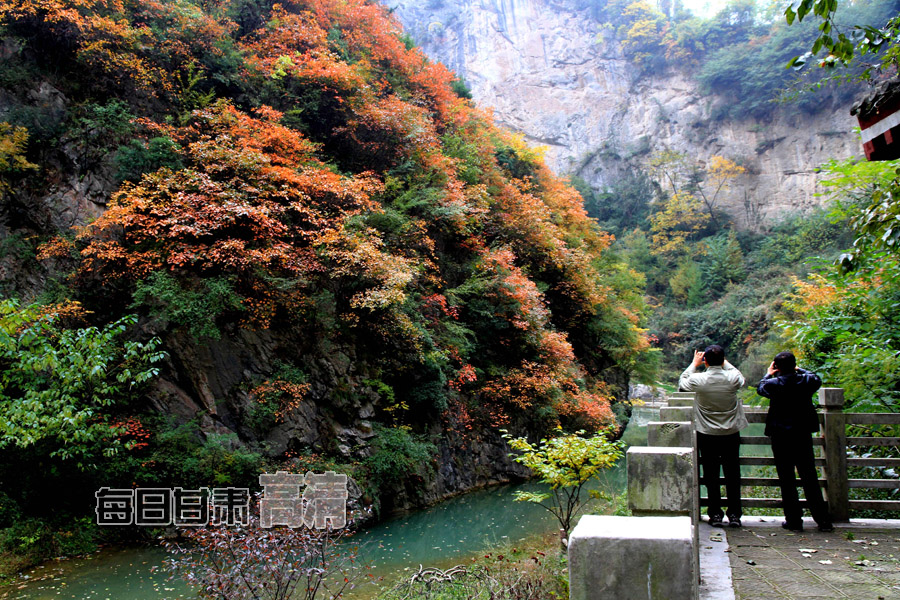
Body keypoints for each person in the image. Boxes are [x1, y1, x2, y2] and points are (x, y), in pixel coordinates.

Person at [756, 351, 833, 532]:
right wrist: (799, 369)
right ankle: (822, 520)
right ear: (794, 365)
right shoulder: (806, 381)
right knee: (809, 476)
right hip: (802, 433)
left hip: (780, 435)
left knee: (787, 478)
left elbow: (761, 388)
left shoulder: (774, 384)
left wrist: (769, 373)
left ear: (776, 367)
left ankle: (794, 520)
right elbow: (815, 377)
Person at [679, 345, 747, 528]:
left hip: (707, 433)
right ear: (724, 360)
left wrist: (694, 364)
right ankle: (734, 515)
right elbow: (739, 375)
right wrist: (723, 361)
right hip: (731, 432)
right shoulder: (733, 379)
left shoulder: (698, 380)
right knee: (733, 474)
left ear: (705, 361)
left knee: (711, 475)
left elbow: (682, 382)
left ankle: (715, 514)